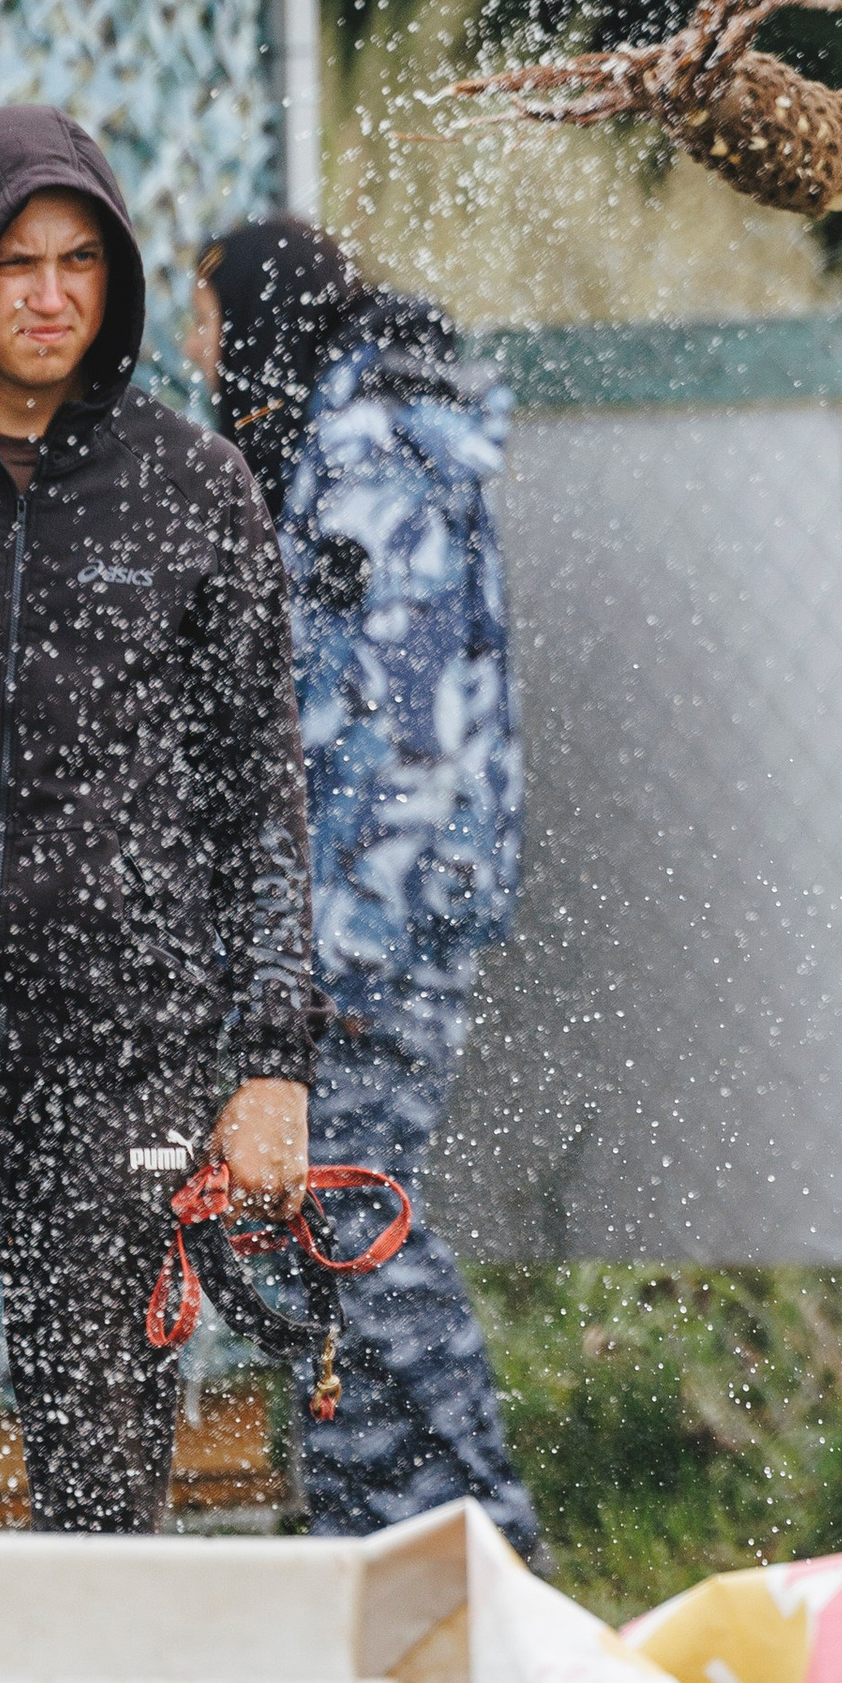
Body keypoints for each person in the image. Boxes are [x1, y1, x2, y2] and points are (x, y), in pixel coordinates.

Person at [189, 218, 545, 1559]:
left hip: (373, 925)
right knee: (323, 1224)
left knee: (354, 1215)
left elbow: (382, 735)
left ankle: (485, 1536)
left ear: (262, 316)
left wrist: (325, 954)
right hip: (396, 910)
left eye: (206, 318)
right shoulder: (384, 438)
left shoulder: (359, 462)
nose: (194, 349)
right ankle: (382, 1544)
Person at [0, 108, 315, 1531]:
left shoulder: (194, 491)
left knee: (95, 1441)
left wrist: (272, 1064)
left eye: (78, 261)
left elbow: (265, 794)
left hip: (121, 1050)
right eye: (13, 265)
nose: (48, 295)